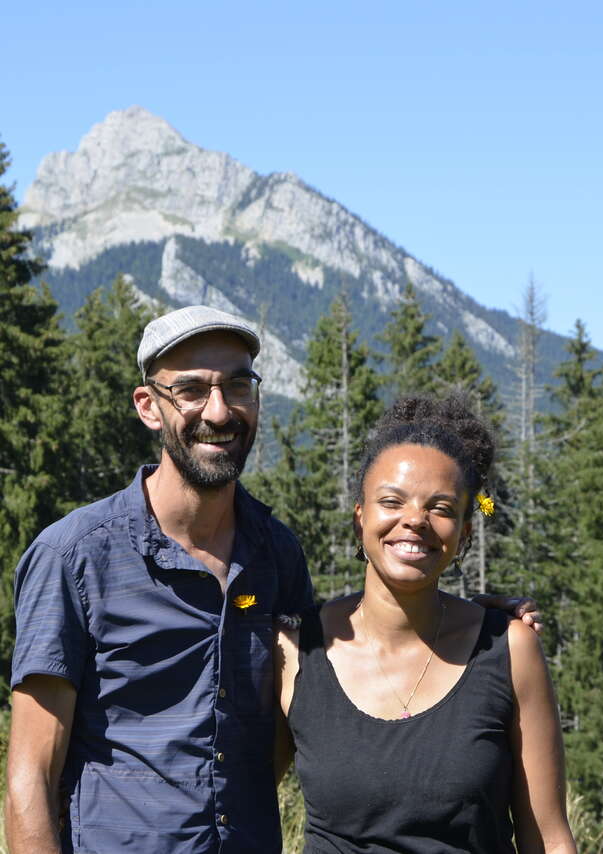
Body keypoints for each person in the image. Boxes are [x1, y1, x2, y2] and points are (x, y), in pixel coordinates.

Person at [5, 306, 542, 854]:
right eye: (190, 390)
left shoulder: (276, 554)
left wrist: (472, 622)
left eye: (238, 386)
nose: (219, 411)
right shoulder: (73, 557)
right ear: (149, 406)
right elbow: (30, 775)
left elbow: (325, 686)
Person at [275, 395, 576, 853]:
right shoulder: (296, 652)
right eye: (392, 501)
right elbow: (239, 801)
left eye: (440, 507)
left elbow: (549, 840)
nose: (414, 520)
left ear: (465, 531)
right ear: (360, 519)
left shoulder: (509, 650)